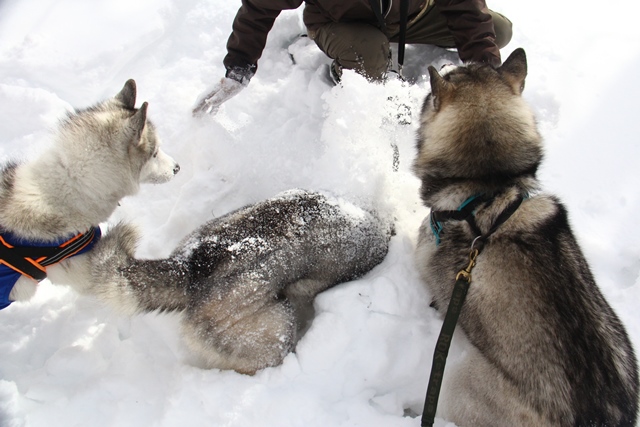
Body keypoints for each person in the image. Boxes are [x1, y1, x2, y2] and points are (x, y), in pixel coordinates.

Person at [193, 0, 512, 115]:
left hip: (408, 17)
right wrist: (238, 67)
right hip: (340, 23)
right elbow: (257, 9)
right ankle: (338, 70)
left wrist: (487, 75)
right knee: (371, 58)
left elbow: (466, 9)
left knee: (498, 31)